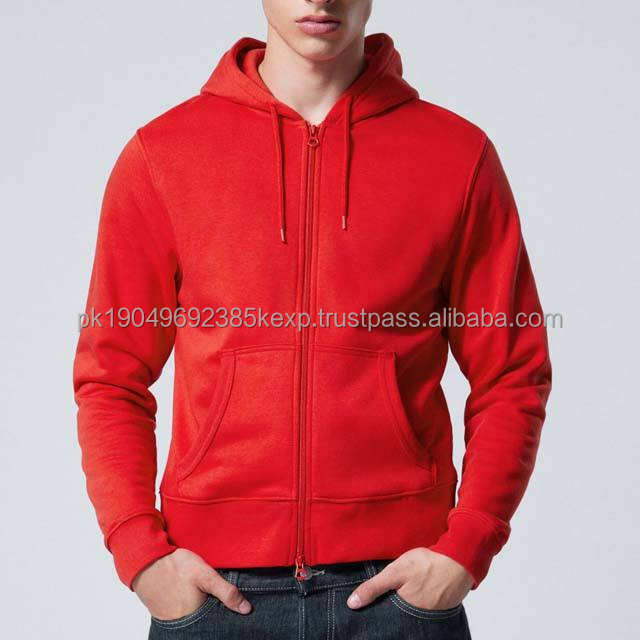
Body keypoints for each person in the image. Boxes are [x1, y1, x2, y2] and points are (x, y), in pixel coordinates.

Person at [73, 1, 552, 638]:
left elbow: (512, 373)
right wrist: (140, 554)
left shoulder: (457, 156)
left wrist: (466, 547)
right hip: (215, 593)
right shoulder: (165, 154)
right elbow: (111, 375)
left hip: (400, 594)